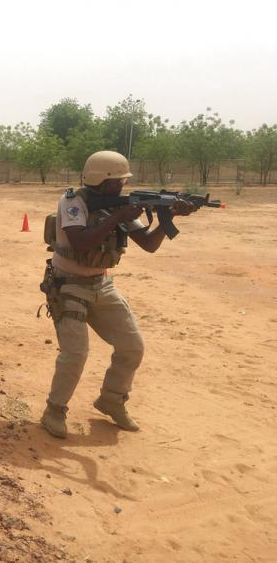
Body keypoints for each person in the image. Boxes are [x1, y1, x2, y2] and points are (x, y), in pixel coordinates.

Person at [39, 150, 196, 438]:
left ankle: (112, 399)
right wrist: (118, 217)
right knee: (75, 354)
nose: (122, 186)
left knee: (132, 345)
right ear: (99, 181)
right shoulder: (73, 202)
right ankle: (54, 410)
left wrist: (168, 216)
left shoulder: (120, 206)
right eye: (116, 182)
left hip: (101, 285)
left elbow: (148, 244)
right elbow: (80, 242)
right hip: (67, 285)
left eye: (123, 181)